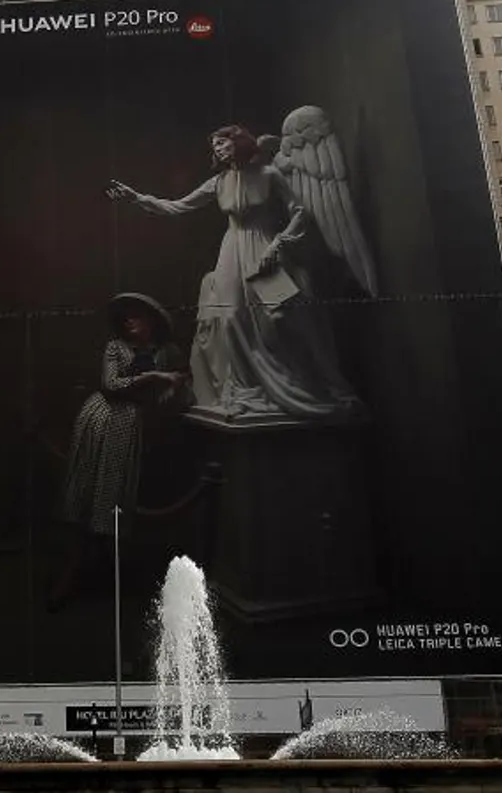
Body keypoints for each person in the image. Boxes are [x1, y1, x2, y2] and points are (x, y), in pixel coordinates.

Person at [106, 125, 361, 422]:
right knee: (228, 319)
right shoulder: (218, 182)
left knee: (278, 319)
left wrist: (279, 244)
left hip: (265, 248)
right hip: (232, 251)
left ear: (238, 143)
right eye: (214, 145)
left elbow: (300, 212)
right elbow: (177, 207)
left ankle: (291, 384)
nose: (217, 148)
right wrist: (136, 197)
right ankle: (245, 389)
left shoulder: (269, 175)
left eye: (222, 142)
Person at [51, 292, 189, 609]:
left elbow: (176, 393)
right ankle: (72, 570)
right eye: (125, 317)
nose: (129, 321)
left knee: (111, 496)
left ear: (152, 320)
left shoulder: (168, 353)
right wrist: (155, 376)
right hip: (99, 417)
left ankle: (107, 572)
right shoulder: (115, 348)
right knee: (82, 491)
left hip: (130, 426)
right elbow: (111, 385)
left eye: (136, 315)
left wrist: (173, 386)